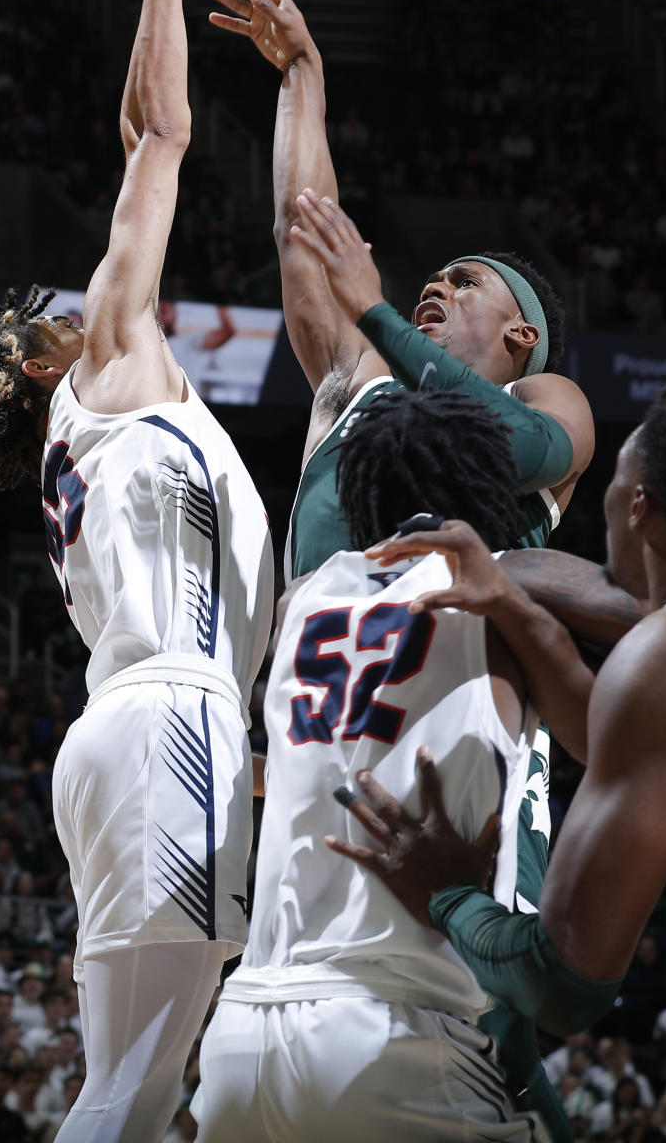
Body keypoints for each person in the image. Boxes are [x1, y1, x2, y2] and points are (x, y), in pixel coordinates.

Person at [207, 0, 596, 1136]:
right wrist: (303, 79)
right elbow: (305, 230)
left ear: (520, 331)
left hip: (428, 740)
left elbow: (533, 463)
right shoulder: (363, 383)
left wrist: (376, 304)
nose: (433, 284)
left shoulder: (546, 403)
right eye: (424, 279)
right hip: (352, 815)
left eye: (463, 281)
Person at [0, 0, 274, 1143]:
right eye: (38, 310)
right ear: (32, 372)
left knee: (136, 1082)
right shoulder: (107, 367)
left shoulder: (96, 426)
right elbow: (157, 136)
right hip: (166, 724)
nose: (63, 298)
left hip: (137, 735)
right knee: (137, 1097)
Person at [325, 372, 666, 1043]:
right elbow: (618, 734)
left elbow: (562, 987)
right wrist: (517, 610)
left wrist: (449, 892)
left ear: (638, 505)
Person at [194, 388, 567, 1142]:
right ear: (491, 484)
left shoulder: (305, 600)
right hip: (395, 1025)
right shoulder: (507, 589)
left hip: (244, 1037)